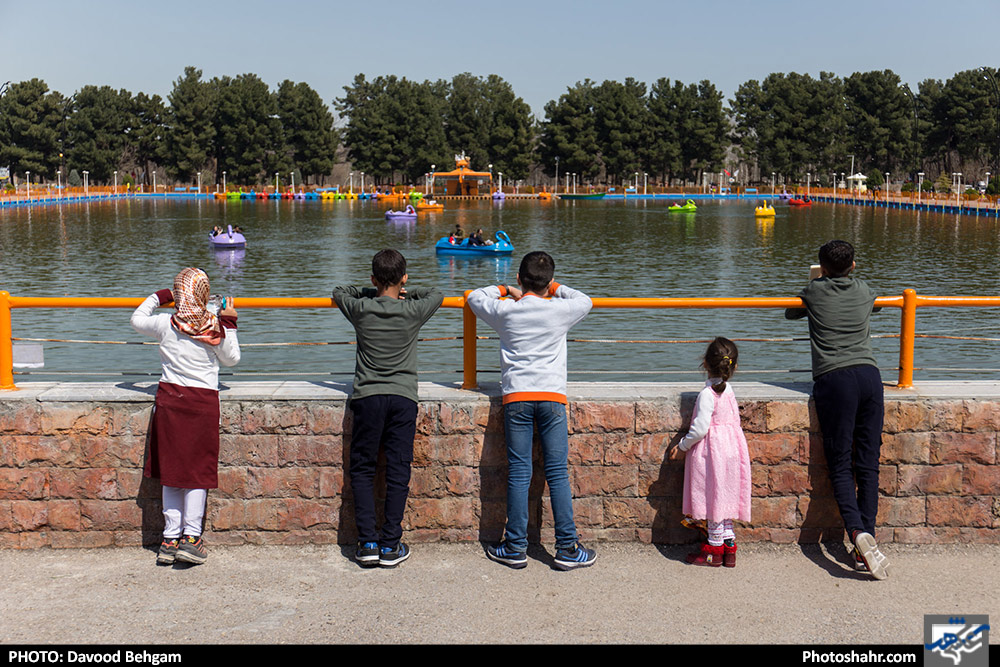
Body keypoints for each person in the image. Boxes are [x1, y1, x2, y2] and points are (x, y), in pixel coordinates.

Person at [467, 251, 596, 571]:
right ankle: (567, 548)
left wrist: (505, 291)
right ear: (549, 282)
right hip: (552, 398)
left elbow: (474, 297)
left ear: (519, 280)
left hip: (517, 398)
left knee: (519, 472)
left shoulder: (506, 311)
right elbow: (585, 300)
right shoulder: (560, 309)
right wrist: (554, 288)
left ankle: (515, 546)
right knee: (557, 473)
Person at [785, 239, 888, 580]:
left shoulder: (814, 291)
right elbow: (878, 307)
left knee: (841, 465)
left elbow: (790, 313)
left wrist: (817, 280)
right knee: (868, 463)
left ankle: (858, 534)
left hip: (835, 381)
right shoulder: (864, 289)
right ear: (854, 266)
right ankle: (865, 543)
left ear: (822, 267)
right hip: (871, 377)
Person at [333, 250, 443, 568]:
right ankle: (391, 544)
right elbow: (436, 294)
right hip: (403, 399)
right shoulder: (412, 310)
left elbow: (340, 292)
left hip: (368, 397)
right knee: (398, 471)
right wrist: (403, 291)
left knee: (363, 469)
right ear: (404, 278)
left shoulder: (361, 308)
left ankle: (367, 542)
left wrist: (373, 292)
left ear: (372, 279)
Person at [130, 268, 241, 566]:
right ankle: (191, 538)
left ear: (179, 294)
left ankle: (169, 539)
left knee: (172, 473)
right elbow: (231, 359)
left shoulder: (166, 323)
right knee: (197, 474)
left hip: (169, 402)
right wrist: (229, 321)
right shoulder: (214, 325)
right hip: (202, 404)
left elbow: (137, 319)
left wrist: (159, 296)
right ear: (204, 294)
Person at [673, 337, 751, 568]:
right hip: (732, 449)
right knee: (725, 497)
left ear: (705, 364)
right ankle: (729, 548)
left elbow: (700, 429)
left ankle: (713, 552)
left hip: (713, 453)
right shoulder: (729, 391)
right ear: (734, 367)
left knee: (714, 499)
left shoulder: (707, 394)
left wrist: (683, 446)